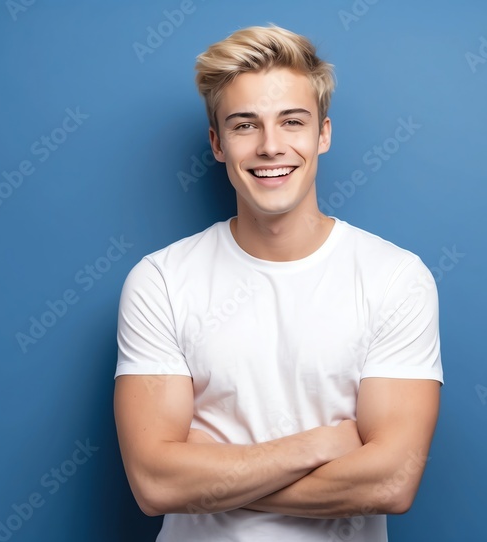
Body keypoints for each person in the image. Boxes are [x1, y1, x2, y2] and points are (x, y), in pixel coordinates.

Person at [113, 23, 443, 541]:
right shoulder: (160, 281)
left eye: (292, 122)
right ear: (218, 143)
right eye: (245, 126)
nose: (271, 146)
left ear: (323, 134)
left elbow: (392, 482)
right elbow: (155, 484)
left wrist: (209, 474)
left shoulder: (396, 278)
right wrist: (318, 446)